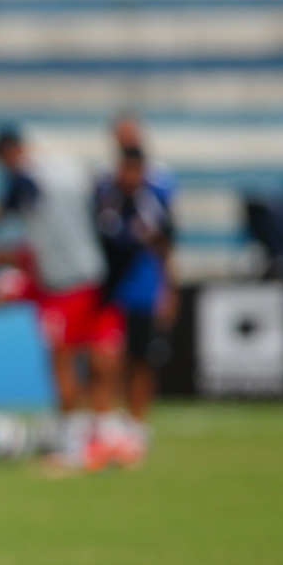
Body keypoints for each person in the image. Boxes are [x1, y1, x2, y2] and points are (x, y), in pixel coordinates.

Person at [0, 124, 125, 470]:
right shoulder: (67, 166)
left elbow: (15, 199)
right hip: (94, 274)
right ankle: (104, 437)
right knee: (101, 360)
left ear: (8, 154)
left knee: (63, 363)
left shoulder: (26, 178)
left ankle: (73, 443)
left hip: (60, 283)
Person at [95, 146, 175, 445]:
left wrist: (167, 290)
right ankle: (109, 421)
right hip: (112, 294)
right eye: (125, 169)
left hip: (143, 292)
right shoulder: (106, 202)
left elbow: (165, 248)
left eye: (135, 169)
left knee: (141, 359)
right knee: (108, 360)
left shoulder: (152, 204)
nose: (129, 175)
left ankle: (137, 422)